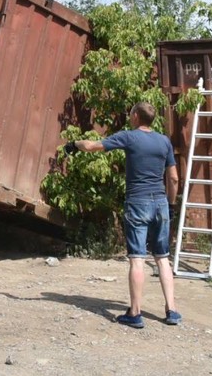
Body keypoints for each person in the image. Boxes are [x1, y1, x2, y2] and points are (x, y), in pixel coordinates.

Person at [65, 101, 182, 329]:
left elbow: (91, 146)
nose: (130, 118)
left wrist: (73, 144)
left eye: (131, 114)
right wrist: (171, 203)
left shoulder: (129, 137)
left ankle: (135, 313)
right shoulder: (164, 141)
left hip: (137, 202)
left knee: (137, 258)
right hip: (160, 203)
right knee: (162, 258)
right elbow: (174, 178)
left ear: (137, 116)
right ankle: (172, 310)